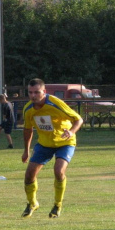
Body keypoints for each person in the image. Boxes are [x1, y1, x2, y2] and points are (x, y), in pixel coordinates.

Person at [21, 78, 83, 219]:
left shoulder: (55, 103)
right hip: (44, 144)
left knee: (58, 170)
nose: (33, 96)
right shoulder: (28, 109)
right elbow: (27, 129)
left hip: (64, 142)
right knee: (29, 175)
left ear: (44, 91)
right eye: (30, 93)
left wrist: (71, 132)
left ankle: (57, 205)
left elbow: (78, 119)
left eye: (36, 92)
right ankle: (32, 204)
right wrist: (26, 150)